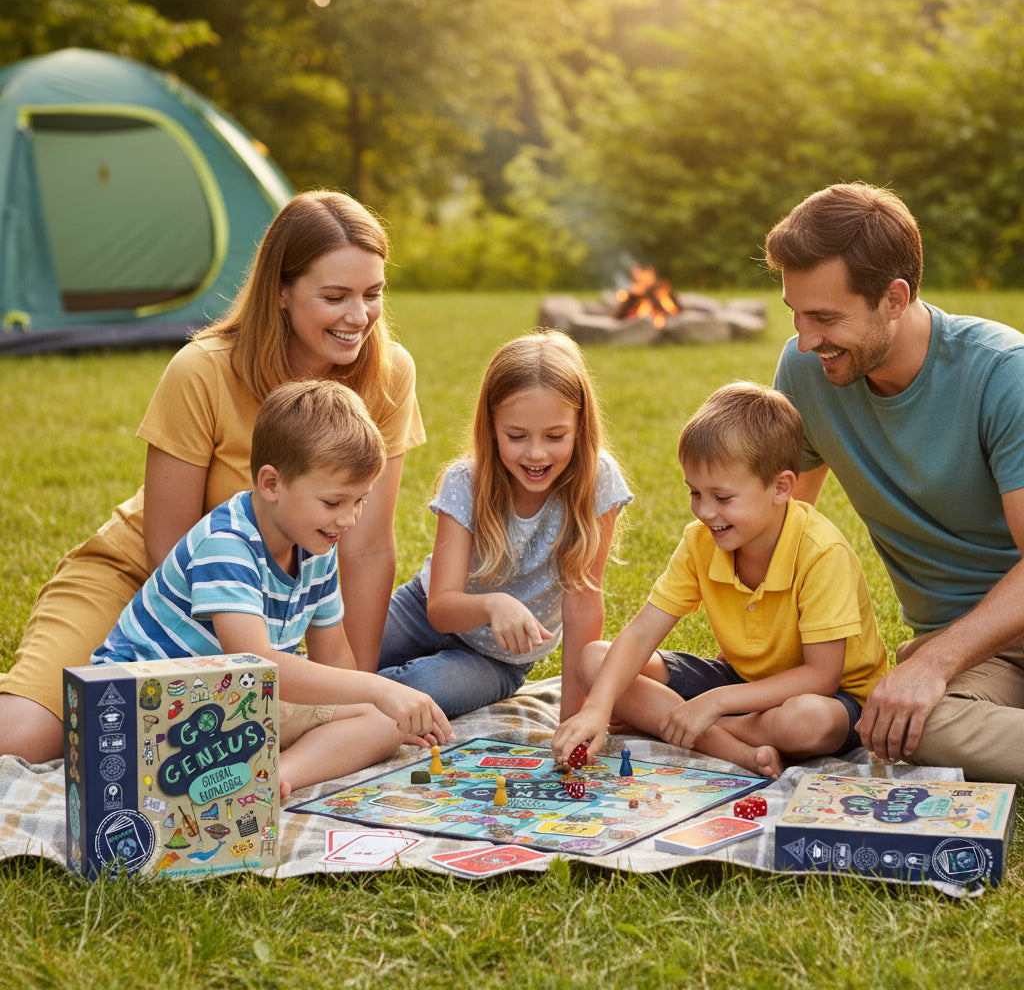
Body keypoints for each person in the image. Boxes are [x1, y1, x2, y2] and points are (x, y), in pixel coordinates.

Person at [0, 190, 425, 763]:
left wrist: (369, 693)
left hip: (256, 605)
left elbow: (368, 547)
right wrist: (207, 685)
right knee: (28, 740)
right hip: (149, 580)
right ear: (280, 291)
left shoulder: (390, 373)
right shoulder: (202, 369)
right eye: (335, 296)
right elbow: (168, 546)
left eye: (373, 294)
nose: (359, 317)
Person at [767, 181, 1024, 782]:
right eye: (797, 314)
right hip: (983, 656)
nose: (806, 340)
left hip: (980, 635)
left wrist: (933, 661)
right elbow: (780, 531)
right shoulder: (806, 369)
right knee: (908, 727)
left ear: (894, 297)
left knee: (912, 704)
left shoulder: (1003, 374)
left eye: (826, 317)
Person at [93, 379, 450, 797]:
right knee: (376, 702)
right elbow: (255, 664)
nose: (349, 519)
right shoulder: (226, 544)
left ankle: (275, 776)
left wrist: (370, 705)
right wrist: (379, 689)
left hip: (225, 709)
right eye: (334, 502)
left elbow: (333, 654)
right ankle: (252, 773)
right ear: (271, 484)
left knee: (384, 722)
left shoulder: (316, 544)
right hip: (139, 712)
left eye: (360, 501)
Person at [552, 382, 886, 779]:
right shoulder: (701, 541)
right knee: (596, 661)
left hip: (832, 699)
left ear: (781, 487)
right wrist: (597, 708)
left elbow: (821, 676)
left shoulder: (820, 552)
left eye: (723, 498)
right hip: (745, 684)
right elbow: (641, 635)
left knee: (808, 720)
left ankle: (681, 724)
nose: (706, 512)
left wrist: (713, 703)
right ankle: (736, 750)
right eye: (695, 492)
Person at [377, 330, 632, 719]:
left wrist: (572, 720)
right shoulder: (466, 482)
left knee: (418, 692)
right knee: (341, 660)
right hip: (420, 613)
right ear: (492, 426)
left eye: (555, 435)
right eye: (516, 436)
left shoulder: (598, 483)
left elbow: (582, 602)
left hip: (499, 657)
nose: (536, 453)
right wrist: (494, 604)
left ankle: (352, 704)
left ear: (580, 425)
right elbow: (440, 608)